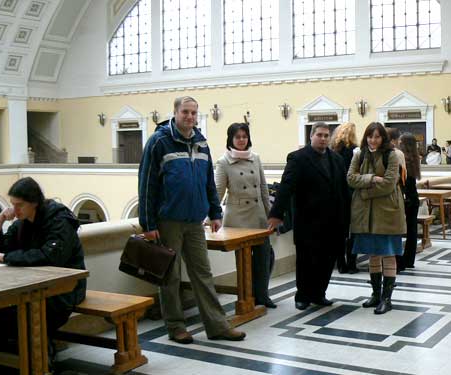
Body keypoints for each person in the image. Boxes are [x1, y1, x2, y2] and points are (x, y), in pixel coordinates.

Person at [138, 96, 245, 344]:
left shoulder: (201, 143)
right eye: (185, 112)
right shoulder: (159, 142)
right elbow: (147, 185)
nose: (189, 117)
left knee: (203, 274)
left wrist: (215, 213)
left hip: (195, 221)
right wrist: (149, 224)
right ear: (175, 113)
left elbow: (209, 182)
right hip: (168, 222)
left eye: (194, 113)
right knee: (170, 276)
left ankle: (218, 325)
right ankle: (176, 327)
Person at [0, 177, 86, 351]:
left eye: (19, 205)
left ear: (34, 202)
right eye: (13, 204)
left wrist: (6, 258)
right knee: (1, 311)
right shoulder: (22, 223)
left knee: (19, 313)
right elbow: (1, 251)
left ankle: (39, 356)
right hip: (32, 286)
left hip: (64, 290)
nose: (15, 209)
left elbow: (50, 256)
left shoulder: (59, 220)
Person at [268, 123, 349, 311]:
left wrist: (347, 218)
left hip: (333, 220)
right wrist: (276, 213)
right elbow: (286, 186)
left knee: (327, 259)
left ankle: (319, 293)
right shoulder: (298, 158)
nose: (323, 138)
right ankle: (302, 295)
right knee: (306, 260)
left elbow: (344, 191)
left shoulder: (336, 159)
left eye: (326, 135)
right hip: (308, 220)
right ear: (311, 136)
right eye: (319, 135)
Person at [347, 122, 406, 315]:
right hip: (365, 214)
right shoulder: (359, 154)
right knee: (373, 254)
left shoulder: (392, 155)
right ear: (366, 137)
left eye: (377, 136)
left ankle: (387, 299)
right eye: (370, 136)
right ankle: (375, 294)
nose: (373, 140)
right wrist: (371, 178)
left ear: (383, 138)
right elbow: (350, 178)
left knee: (388, 254)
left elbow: (389, 184)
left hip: (387, 211)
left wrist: (364, 192)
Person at [215, 123, 276, 308]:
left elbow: (264, 189)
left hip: (258, 216)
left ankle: (263, 295)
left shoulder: (255, 158)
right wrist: (210, 215)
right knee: (244, 261)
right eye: (237, 137)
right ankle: (247, 297)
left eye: (244, 136)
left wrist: (270, 215)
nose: (242, 140)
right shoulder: (223, 161)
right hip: (237, 218)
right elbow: (218, 191)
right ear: (230, 139)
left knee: (264, 256)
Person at [330, 122, 359, 274]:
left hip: (336, 195)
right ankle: (352, 263)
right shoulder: (354, 150)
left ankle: (340, 263)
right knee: (353, 231)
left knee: (339, 232)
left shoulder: (332, 150)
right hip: (351, 193)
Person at [397, 133, 421, 271]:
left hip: (405, 199)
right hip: (414, 198)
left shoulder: (403, 159)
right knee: (412, 230)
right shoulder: (414, 158)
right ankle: (409, 260)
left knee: (399, 230)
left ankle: (400, 260)